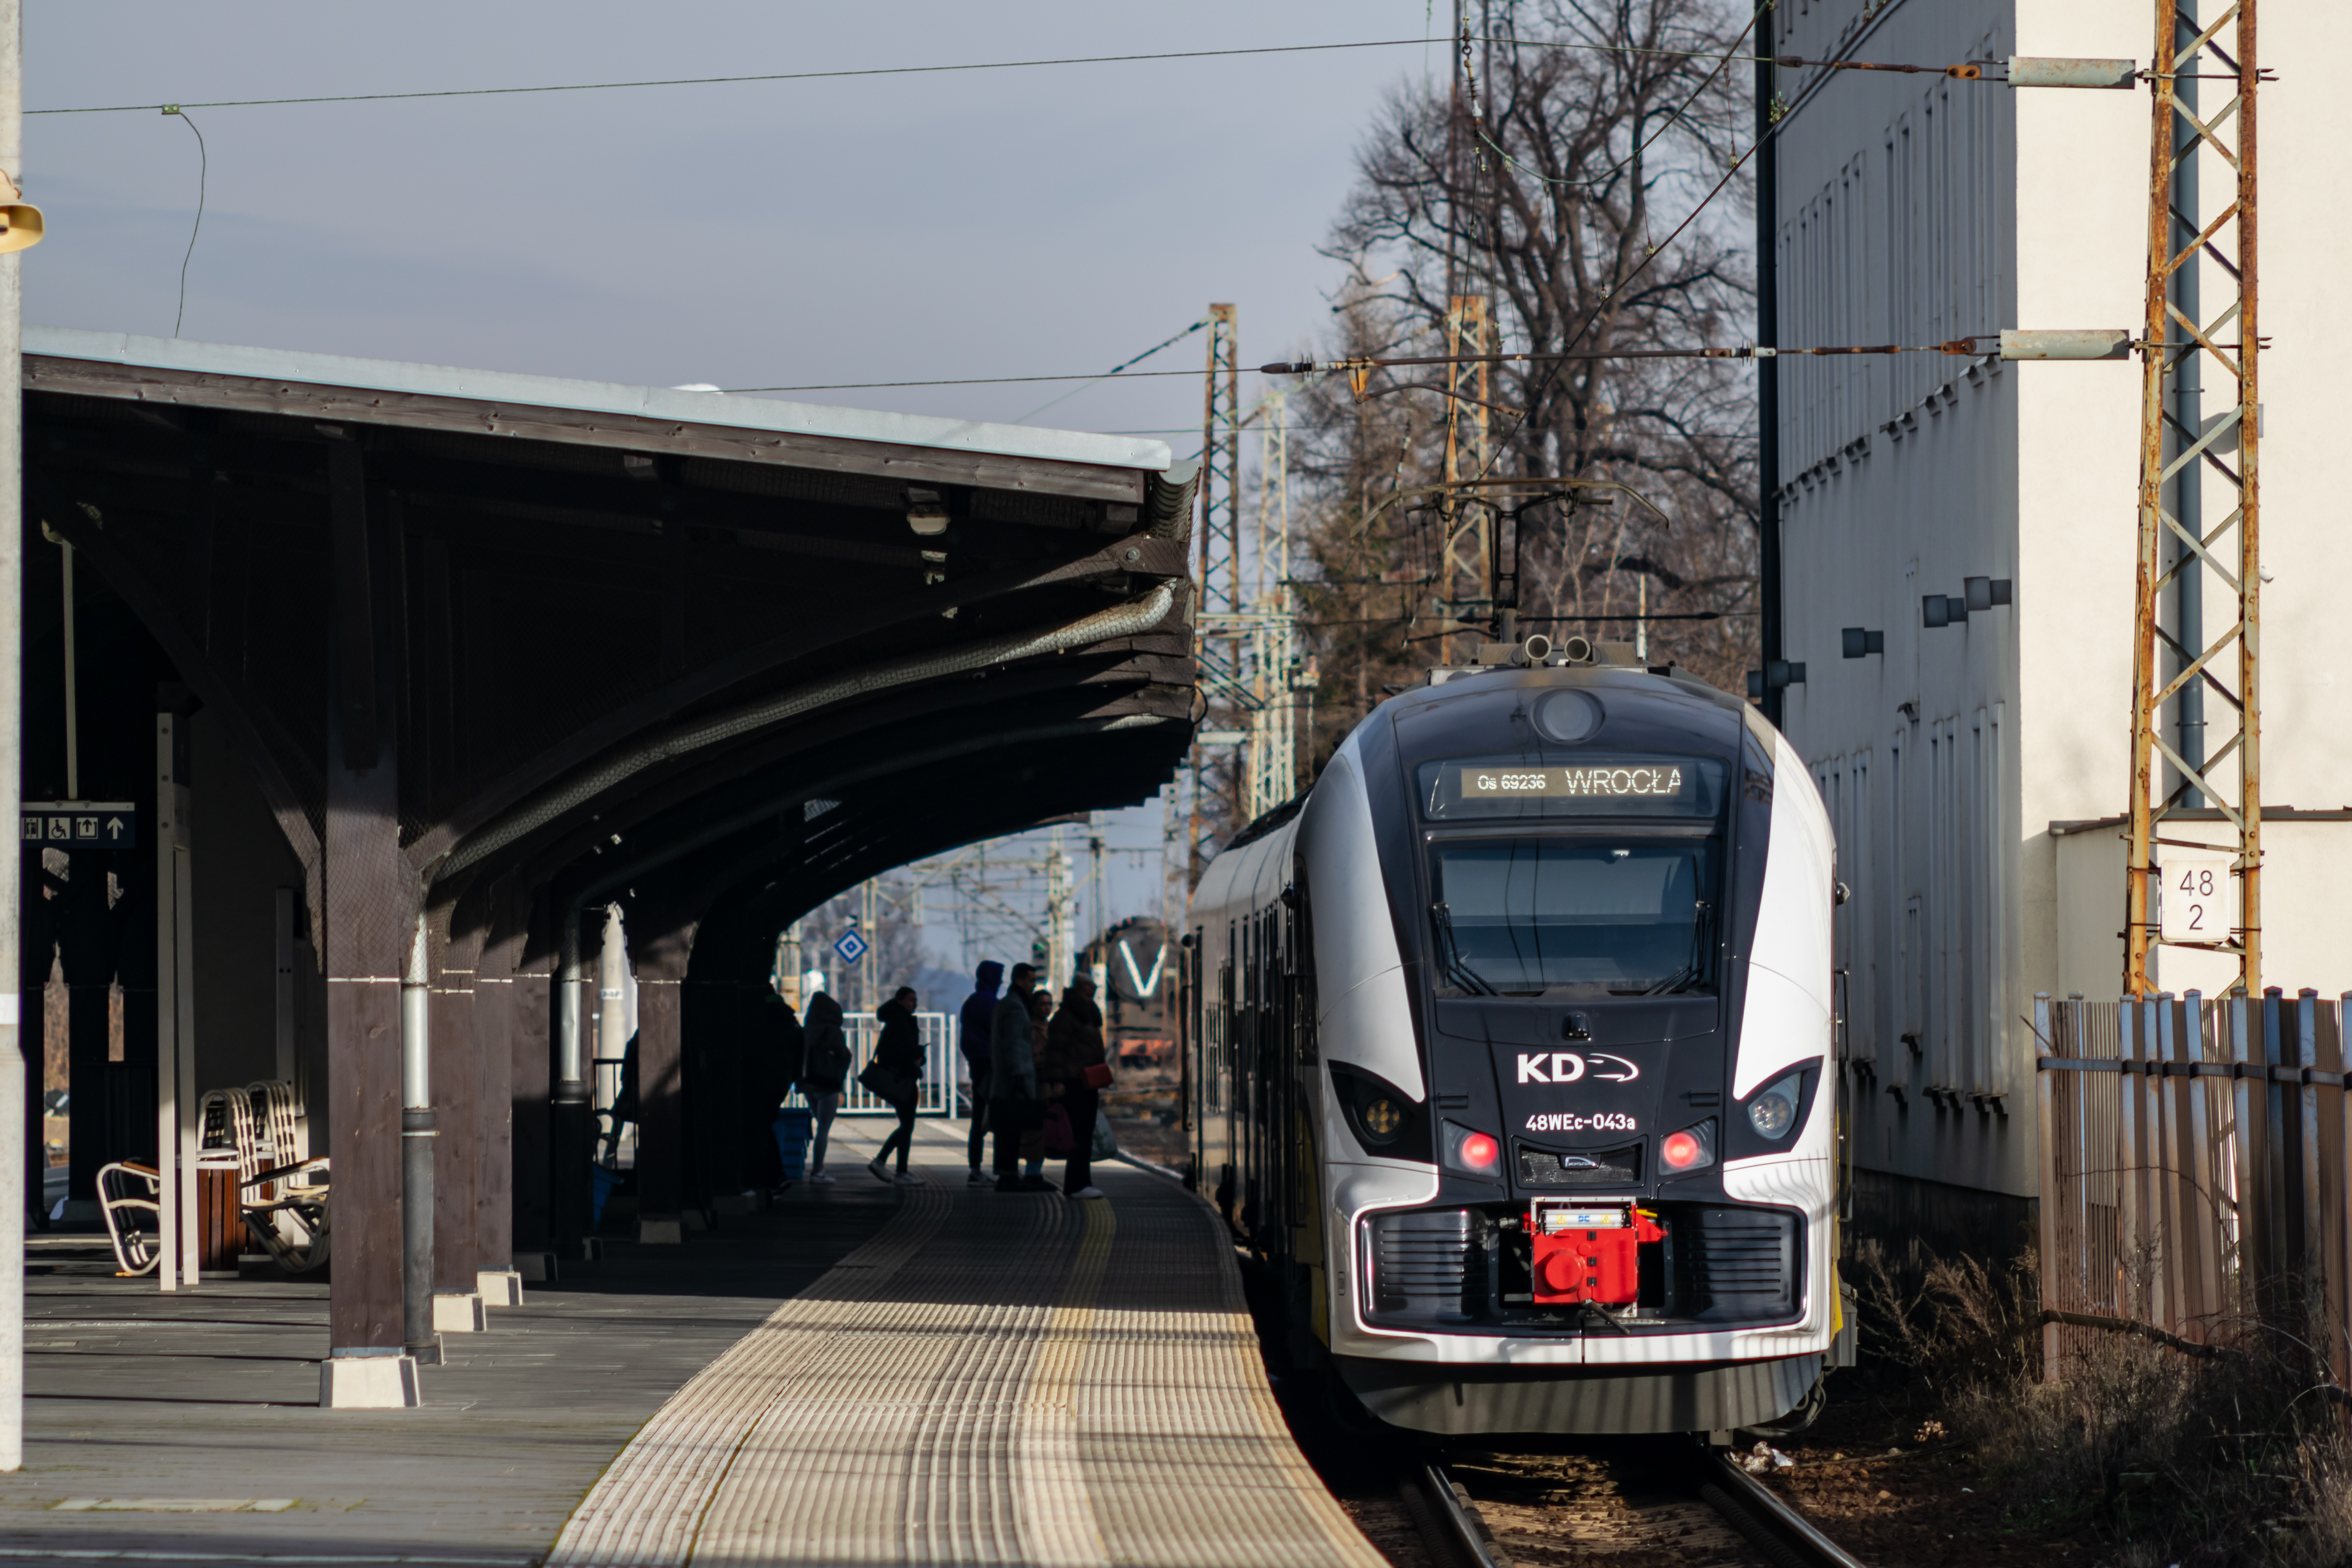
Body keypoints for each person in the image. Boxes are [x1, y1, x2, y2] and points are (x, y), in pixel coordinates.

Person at [1042, 978, 1108, 1199]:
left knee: (1085, 1132)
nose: (1091, 999)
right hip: (1075, 1082)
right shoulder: (1066, 1017)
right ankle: (1076, 1184)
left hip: (1088, 1081)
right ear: (1078, 993)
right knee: (1079, 1132)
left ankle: (1083, 1182)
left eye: (1093, 995)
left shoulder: (1087, 1015)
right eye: (1087, 995)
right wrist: (1058, 1081)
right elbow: (1055, 1051)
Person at [989, 964, 1054, 1192]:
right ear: (1019, 981)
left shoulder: (1005, 1004)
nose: (1033, 984)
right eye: (1030, 980)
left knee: (1007, 1129)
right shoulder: (1016, 1009)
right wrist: (1019, 1078)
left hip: (1005, 1080)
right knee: (1012, 1130)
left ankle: (1007, 1175)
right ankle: (1008, 1178)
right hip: (1014, 1080)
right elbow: (1016, 1045)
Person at [866, 986, 926, 1186]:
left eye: (915, 1001)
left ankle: (899, 1169)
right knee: (907, 1125)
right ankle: (884, 1162)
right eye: (910, 1000)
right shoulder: (902, 1022)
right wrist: (918, 1057)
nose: (914, 1004)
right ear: (900, 1001)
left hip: (900, 1077)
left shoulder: (894, 1019)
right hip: (902, 1079)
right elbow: (904, 1052)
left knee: (906, 1124)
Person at [957, 962, 1003, 1186]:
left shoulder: (971, 1003)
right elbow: (1000, 1033)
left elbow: (965, 1040)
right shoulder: (990, 1003)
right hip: (990, 1065)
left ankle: (975, 1169)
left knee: (978, 1117)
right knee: (993, 1116)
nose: (1002, 981)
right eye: (999, 977)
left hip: (977, 1063)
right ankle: (995, 1170)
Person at [798, 992, 850, 1185]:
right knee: (824, 1129)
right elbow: (843, 1055)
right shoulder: (832, 1031)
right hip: (828, 1083)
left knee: (819, 1123)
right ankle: (818, 1171)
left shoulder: (807, 1030)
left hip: (809, 1083)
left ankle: (815, 1168)